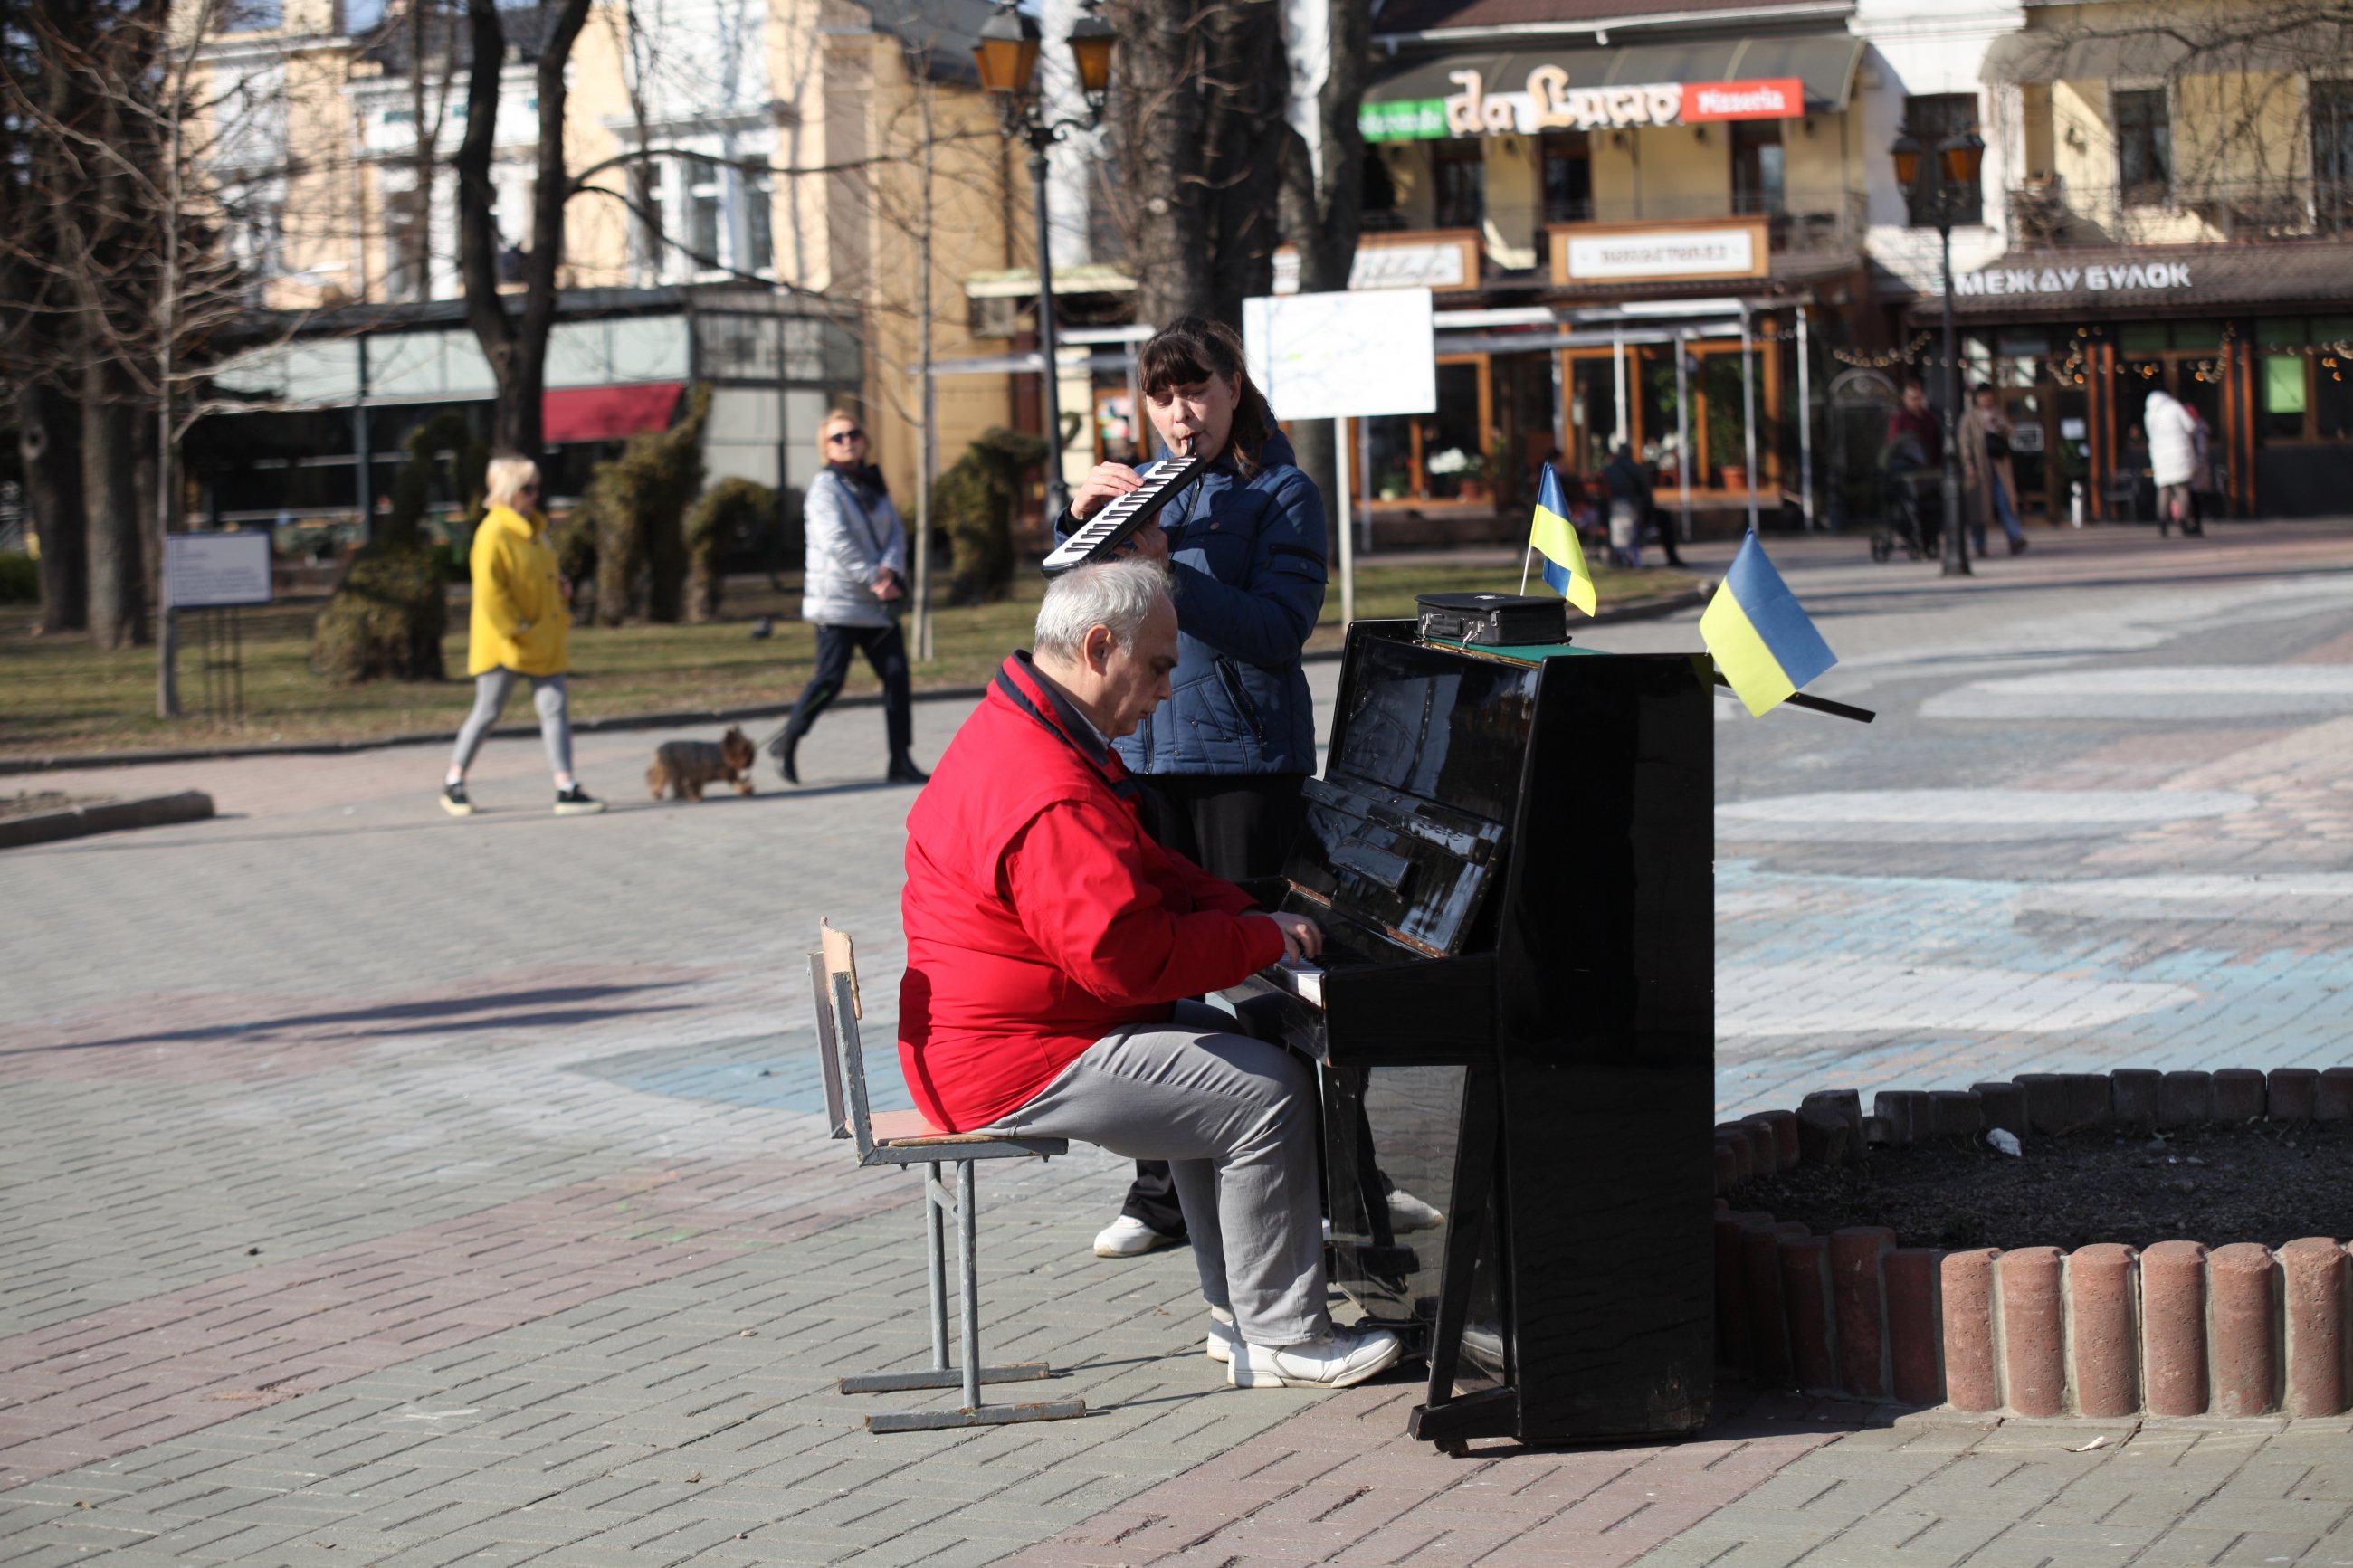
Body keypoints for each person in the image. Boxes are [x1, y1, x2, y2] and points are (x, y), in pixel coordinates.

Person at [898, 557, 1405, 1390]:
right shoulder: (1046, 786)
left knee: (1219, 1047)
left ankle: (1239, 1318)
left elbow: (1148, 866)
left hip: (1009, 1030)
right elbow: (1122, 962)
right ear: (1099, 647)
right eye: (1160, 666)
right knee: (1265, 1093)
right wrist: (1260, 942)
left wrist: (1258, 911)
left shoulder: (1031, 728)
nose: (1168, 690)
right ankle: (1284, 1337)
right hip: (1005, 1059)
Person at [1058, 316, 1330, 1261]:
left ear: (1233, 387)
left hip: (1248, 768)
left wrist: (1167, 560)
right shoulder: (1137, 488)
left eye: (1198, 390)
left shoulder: (1282, 492)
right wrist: (1077, 526)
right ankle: (1161, 1191)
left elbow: (1279, 627)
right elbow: (1077, 626)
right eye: (1162, 395)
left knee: (1264, 978)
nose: (1181, 413)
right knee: (1150, 975)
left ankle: (1310, 1178)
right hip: (1143, 759)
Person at [441, 455, 604, 817]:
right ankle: (454, 781)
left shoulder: (536, 531)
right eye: (528, 489)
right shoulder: (493, 533)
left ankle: (566, 786)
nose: (535, 496)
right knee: (487, 712)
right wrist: (517, 627)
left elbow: (542, 575)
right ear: (508, 492)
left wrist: (561, 588)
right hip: (507, 643)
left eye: (536, 488)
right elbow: (490, 591)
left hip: (544, 638)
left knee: (555, 709)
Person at [768, 410, 925, 786]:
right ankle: (787, 739)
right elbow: (837, 542)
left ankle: (900, 758)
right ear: (826, 447)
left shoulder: (873, 483)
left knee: (896, 678)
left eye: (852, 434)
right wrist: (875, 578)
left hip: (877, 603)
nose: (847, 441)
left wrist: (889, 570)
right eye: (837, 437)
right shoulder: (824, 488)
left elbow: (894, 534)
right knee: (829, 679)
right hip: (839, 602)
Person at [1958, 385, 2028, 557]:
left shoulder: (1999, 413)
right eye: (1983, 396)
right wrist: (1969, 465)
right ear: (1977, 398)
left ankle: (2015, 538)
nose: (1986, 399)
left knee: (2005, 501)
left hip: (1998, 465)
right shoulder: (1970, 417)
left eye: (1988, 396)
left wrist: (2000, 426)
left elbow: (2010, 432)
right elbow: (1964, 442)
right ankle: (1979, 544)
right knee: (1979, 507)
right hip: (1980, 467)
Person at [2145, 386, 2201, 539]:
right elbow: (2191, 426)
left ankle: (2162, 524)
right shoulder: (2174, 407)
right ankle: (2184, 523)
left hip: (2160, 457)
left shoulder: (2150, 413)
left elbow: (2149, 434)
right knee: (2182, 489)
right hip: (2179, 455)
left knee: (2164, 490)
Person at [1599, 442, 1647, 568]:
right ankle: (1632, 557)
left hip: (1611, 509)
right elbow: (1646, 492)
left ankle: (1618, 556)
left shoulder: (1608, 470)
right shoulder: (1635, 468)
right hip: (1629, 506)